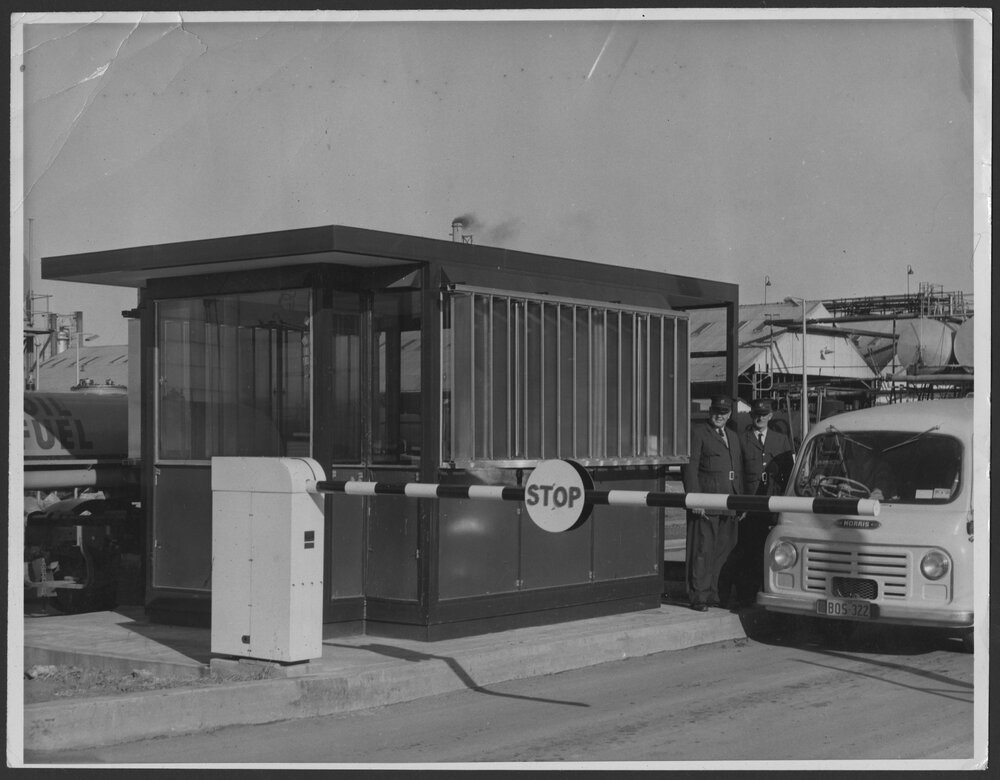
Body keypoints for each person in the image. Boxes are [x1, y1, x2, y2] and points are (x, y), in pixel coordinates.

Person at [727, 399, 795, 606]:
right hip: (750, 506)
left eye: (764, 414)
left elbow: (789, 474)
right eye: (757, 414)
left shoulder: (781, 440)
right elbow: (737, 472)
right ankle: (746, 596)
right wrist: (741, 505)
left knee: (773, 552)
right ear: (751, 416)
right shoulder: (742, 439)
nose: (760, 418)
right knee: (748, 552)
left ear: (771, 416)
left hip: (773, 505)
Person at [682, 395, 744, 611]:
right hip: (706, 504)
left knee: (722, 553)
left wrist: (740, 502)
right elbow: (690, 469)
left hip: (728, 504)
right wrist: (695, 499)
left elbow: (738, 472)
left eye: (724, 412)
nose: (720, 415)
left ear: (729, 414)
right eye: (716, 411)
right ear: (710, 412)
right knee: (702, 551)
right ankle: (699, 596)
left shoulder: (733, 437)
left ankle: (715, 594)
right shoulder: (698, 432)